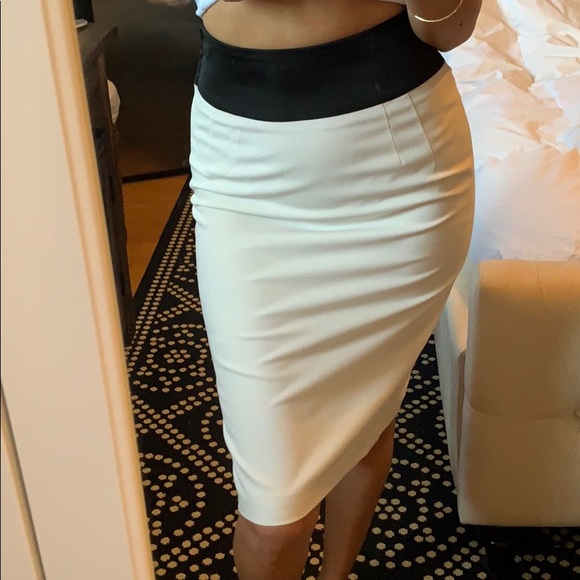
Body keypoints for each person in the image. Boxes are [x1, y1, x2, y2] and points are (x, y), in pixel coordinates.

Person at [158, 0, 482, 578]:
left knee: (368, 418)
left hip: (398, 173)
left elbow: (449, 29)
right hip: (242, 172)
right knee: (274, 518)